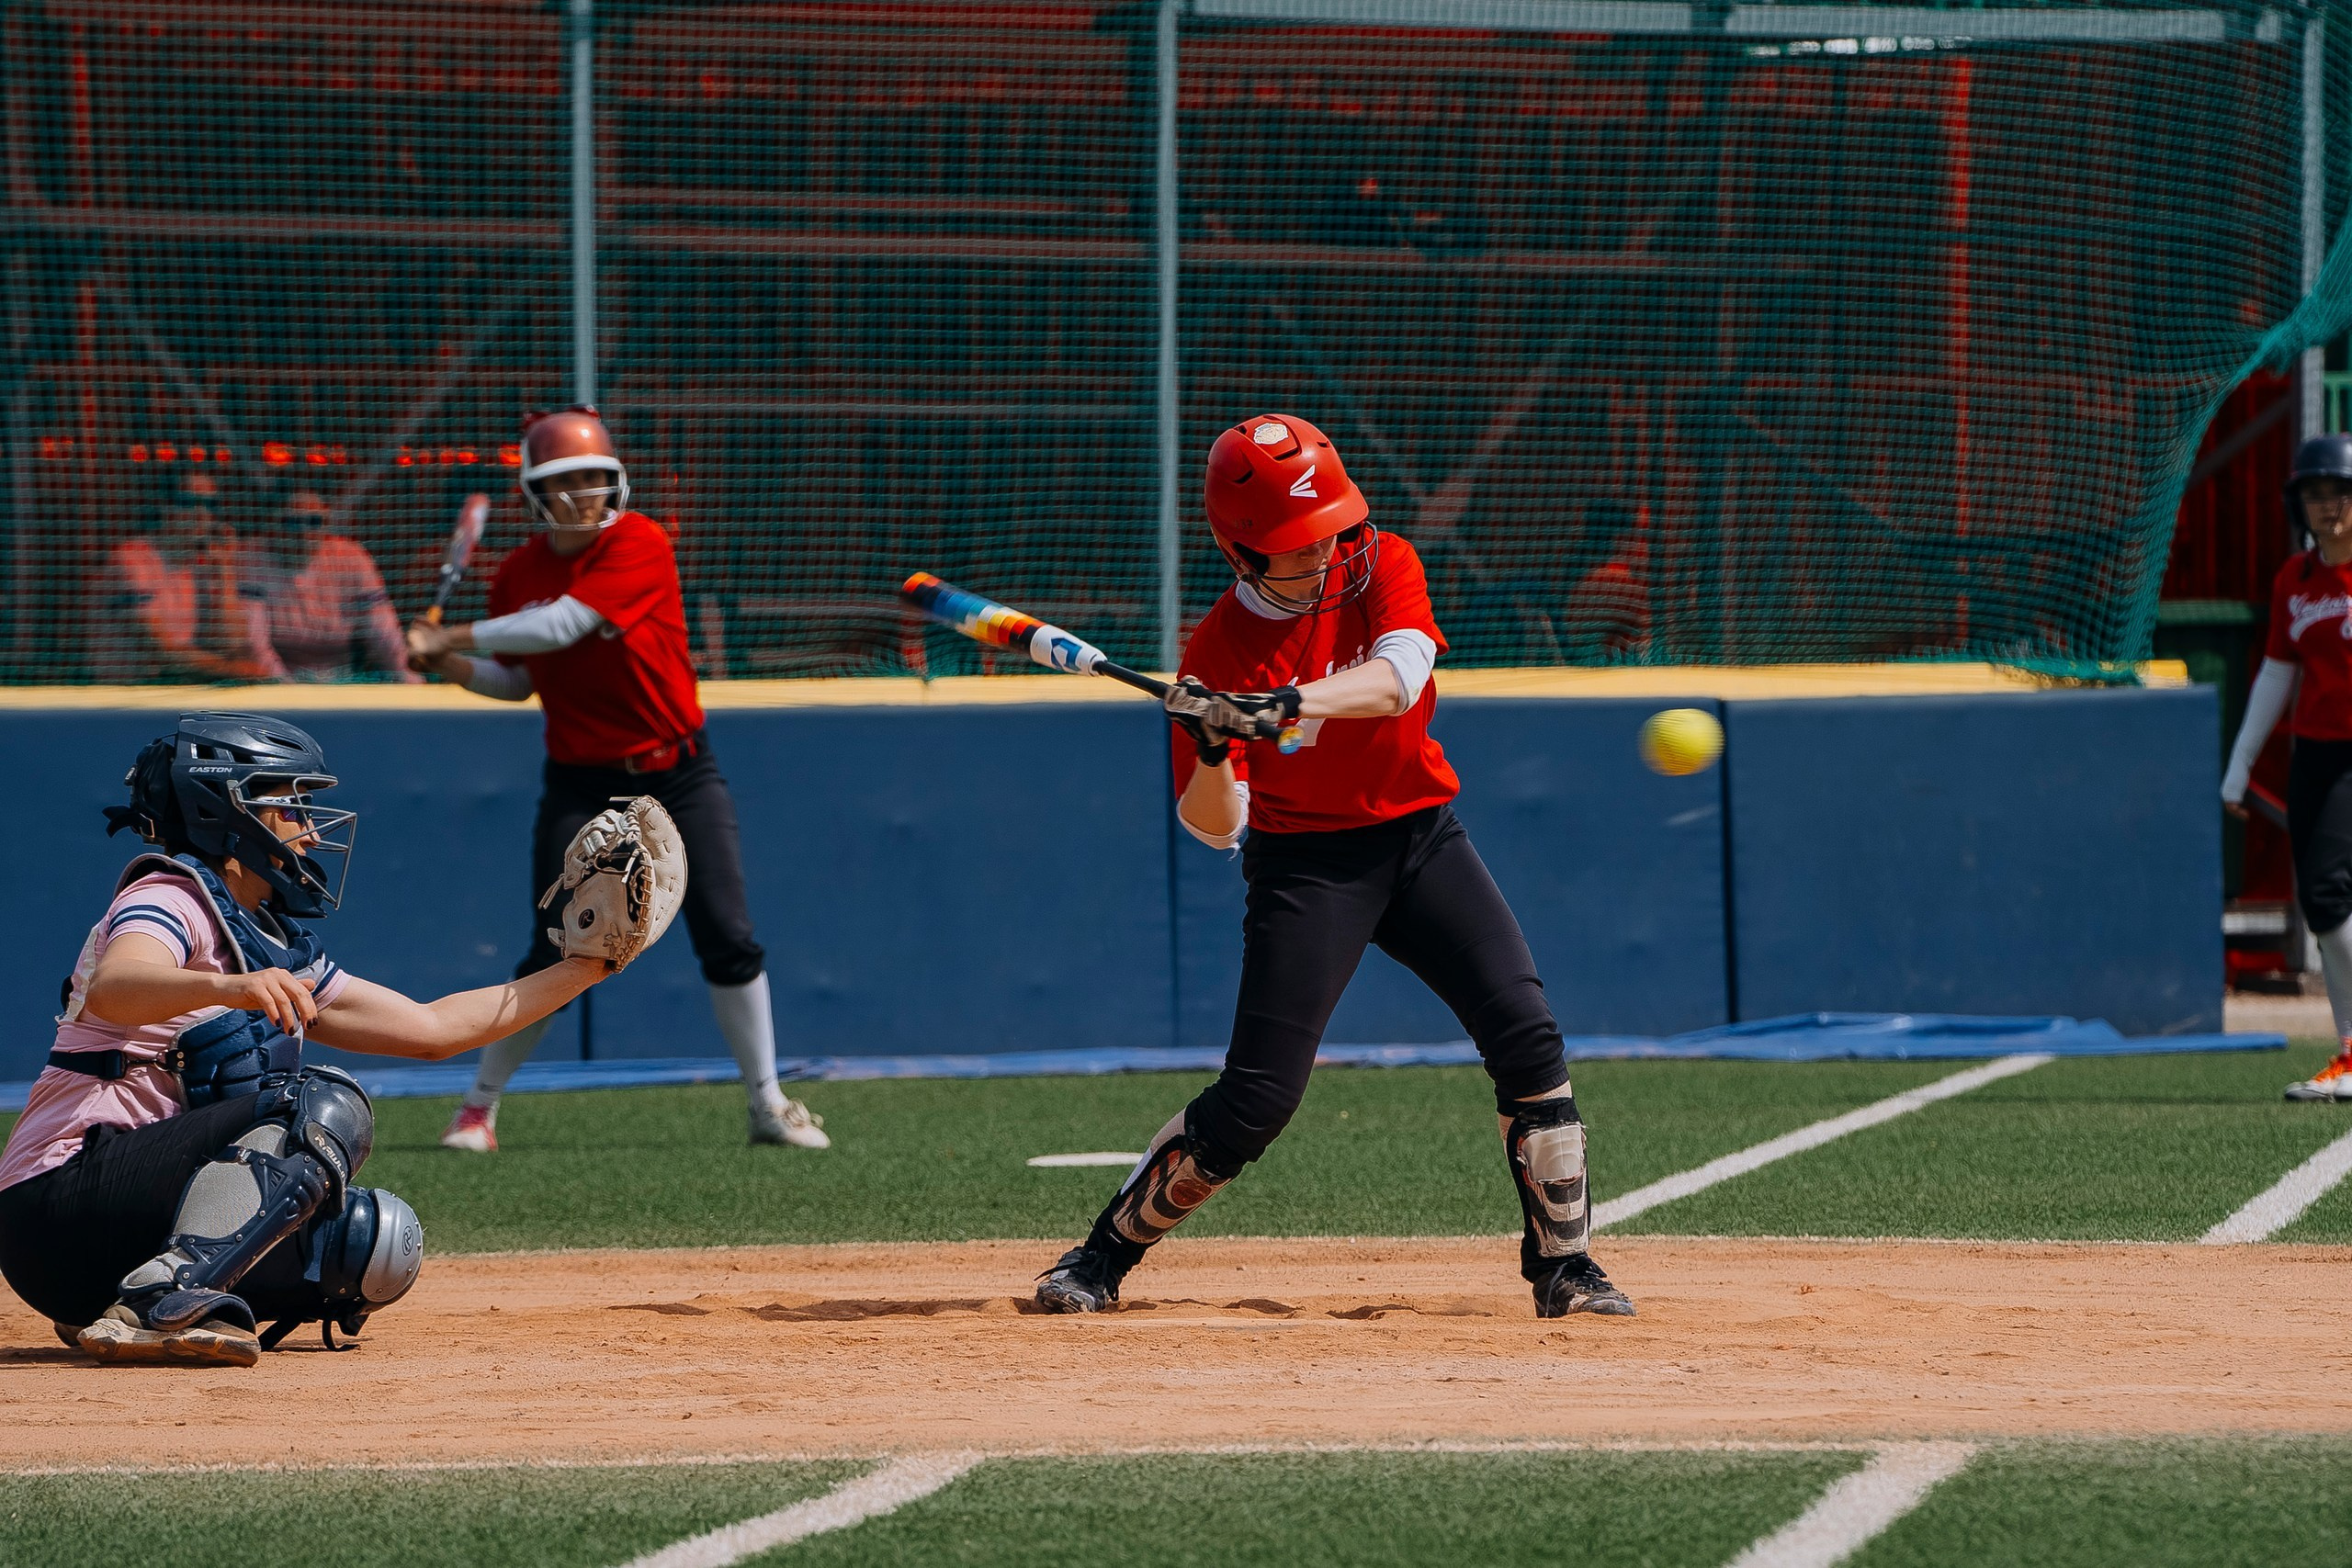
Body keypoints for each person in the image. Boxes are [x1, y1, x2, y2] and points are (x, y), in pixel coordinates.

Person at [1032, 413, 1635, 1319]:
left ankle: (1566, 1270)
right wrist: (1208, 746)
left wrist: (1280, 705)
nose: (1327, 553)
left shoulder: (1383, 562)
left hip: (1420, 837)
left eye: (1332, 530)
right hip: (1307, 865)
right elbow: (1215, 828)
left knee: (1527, 1035)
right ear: (1242, 553)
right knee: (1256, 1102)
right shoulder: (1215, 654)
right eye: (1298, 544)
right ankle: (1099, 1258)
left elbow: (1400, 675)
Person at [0, 712, 659, 1366]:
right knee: (322, 1105)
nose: (312, 829)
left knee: (369, 1246)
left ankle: (128, 1295)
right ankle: (158, 1299)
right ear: (224, 809)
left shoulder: (266, 939)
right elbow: (116, 985)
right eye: (291, 805)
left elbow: (434, 1030)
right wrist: (232, 988)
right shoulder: (173, 895)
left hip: (110, 1232)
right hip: (54, 1199)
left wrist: (588, 965)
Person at [404, 405, 828, 1151]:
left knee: (728, 934)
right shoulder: (516, 574)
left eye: (596, 476)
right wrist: (451, 665)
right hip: (581, 780)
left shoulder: (640, 542)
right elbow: (516, 682)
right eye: (566, 480)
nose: (585, 493)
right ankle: (478, 1108)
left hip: (679, 770)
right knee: (556, 947)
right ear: (537, 491)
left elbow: (563, 624)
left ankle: (768, 1103)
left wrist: (451, 634)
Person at [2224, 433, 2352, 1101]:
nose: (2328, 505)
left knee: (2336, 905)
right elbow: (2276, 675)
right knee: (2327, 904)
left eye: (2340, 492)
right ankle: (2350, 1054)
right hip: (2322, 757)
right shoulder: (2293, 581)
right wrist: (2240, 764)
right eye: (2315, 493)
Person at [93, 470, 285, 683]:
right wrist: (231, 669)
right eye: (189, 502)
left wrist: (225, 569)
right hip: (131, 693)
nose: (201, 513)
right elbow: (160, 649)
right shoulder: (132, 559)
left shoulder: (205, 563)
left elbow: (231, 642)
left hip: (188, 688)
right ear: (164, 506)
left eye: (210, 504)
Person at [249, 490, 418, 682]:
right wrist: (289, 694)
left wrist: (412, 684)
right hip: (277, 682)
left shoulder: (352, 558)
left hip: (345, 681)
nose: (304, 533)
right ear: (272, 523)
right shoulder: (253, 558)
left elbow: (383, 634)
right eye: (293, 523)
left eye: (314, 522)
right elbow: (255, 645)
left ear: (327, 523)